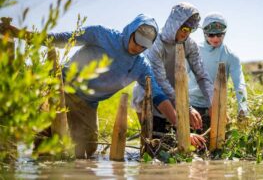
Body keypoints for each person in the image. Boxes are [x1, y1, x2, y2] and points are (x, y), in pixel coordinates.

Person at [0, 14, 178, 159]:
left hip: (88, 105)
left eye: (143, 45)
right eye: (136, 40)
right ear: (131, 30)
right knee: (48, 145)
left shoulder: (141, 65)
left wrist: (177, 124)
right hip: (64, 90)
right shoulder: (101, 35)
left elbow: (158, 95)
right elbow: (62, 39)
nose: (138, 47)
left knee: (88, 150)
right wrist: (23, 34)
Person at [132, 2, 213, 148]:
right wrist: (186, 109)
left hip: (175, 98)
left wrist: (213, 102)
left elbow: (202, 75)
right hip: (151, 97)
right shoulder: (155, 44)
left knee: (178, 145)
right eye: (183, 27)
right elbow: (160, 82)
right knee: (154, 146)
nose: (186, 32)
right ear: (175, 23)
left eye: (190, 29)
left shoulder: (189, 44)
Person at [188, 12, 249, 131]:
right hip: (193, 105)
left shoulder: (230, 56)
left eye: (219, 34)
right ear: (204, 33)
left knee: (218, 143)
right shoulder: (193, 49)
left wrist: (243, 109)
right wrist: (186, 108)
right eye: (211, 35)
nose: (215, 38)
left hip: (217, 106)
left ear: (224, 33)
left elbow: (240, 84)